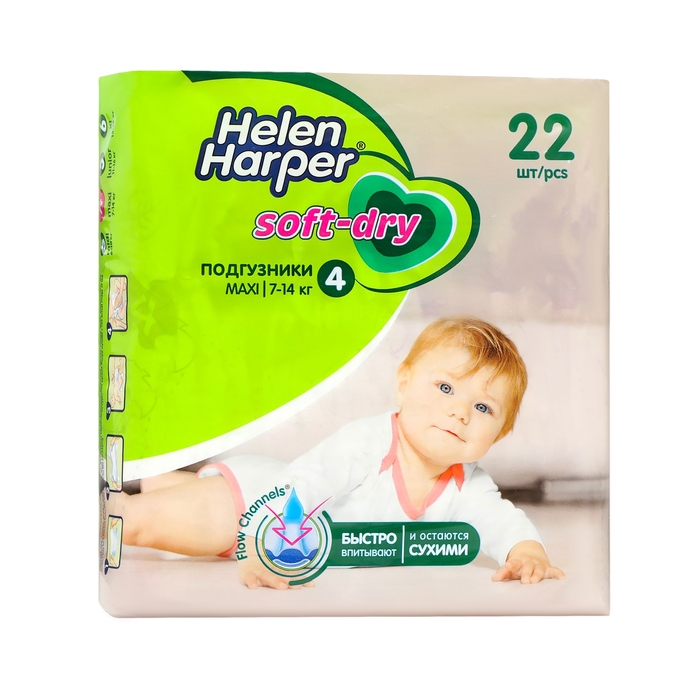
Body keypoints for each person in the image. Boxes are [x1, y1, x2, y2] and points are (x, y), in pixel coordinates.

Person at [111, 317, 565, 588]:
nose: (459, 412)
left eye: (483, 407)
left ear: (500, 433)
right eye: (445, 387)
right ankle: (120, 502)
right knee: (138, 523)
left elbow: (502, 522)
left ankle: (159, 479)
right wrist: (261, 546)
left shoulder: (470, 485)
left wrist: (528, 553)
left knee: (175, 495)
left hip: (269, 490)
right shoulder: (368, 443)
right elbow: (305, 484)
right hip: (250, 506)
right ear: (404, 383)